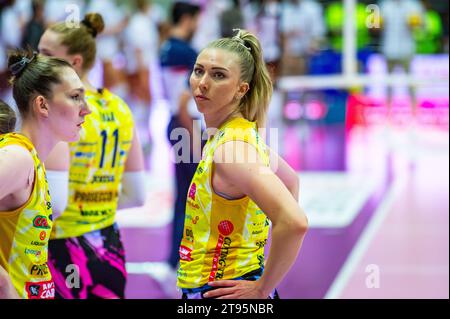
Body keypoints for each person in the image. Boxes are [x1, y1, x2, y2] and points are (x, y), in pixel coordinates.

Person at [177, 29, 308, 299]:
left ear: (241, 89)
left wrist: (261, 288)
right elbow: (291, 180)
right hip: (227, 283)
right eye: (198, 71)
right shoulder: (236, 134)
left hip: (221, 291)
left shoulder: (231, 149)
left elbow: (294, 221)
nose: (202, 82)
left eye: (218, 75)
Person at [38, 12, 146, 299]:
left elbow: (55, 204)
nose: (36, 61)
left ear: (74, 62)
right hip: (108, 244)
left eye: (46, 54)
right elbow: (138, 195)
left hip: (62, 247)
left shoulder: (55, 109)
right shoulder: (120, 108)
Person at [0, 50, 89, 299]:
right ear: (42, 105)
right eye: (75, 98)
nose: (87, 110)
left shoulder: (32, 158)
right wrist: (4, 284)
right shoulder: (19, 157)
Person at [159, 1, 201, 294]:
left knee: (183, 196)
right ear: (187, 19)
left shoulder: (166, 48)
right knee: (195, 197)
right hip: (185, 126)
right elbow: (183, 99)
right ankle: (185, 261)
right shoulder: (184, 52)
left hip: (176, 123)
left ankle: (176, 259)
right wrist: (193, 135)